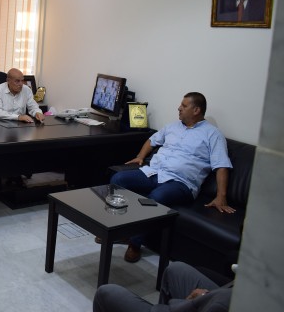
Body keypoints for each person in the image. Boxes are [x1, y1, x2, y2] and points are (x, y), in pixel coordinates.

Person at [110, 92, 233, 263]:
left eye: (184, 106)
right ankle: (115, 230)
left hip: (181, 183)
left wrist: (221, 196)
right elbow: (152, 141)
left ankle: (134, 243)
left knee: (156, 197)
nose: (179, 108)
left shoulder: (213, 134)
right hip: (154, 173)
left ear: (196, 110)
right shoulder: (172, 127)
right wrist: (140, 156)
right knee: (118, 179)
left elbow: (221, 165)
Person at [93, 261, 232, 312]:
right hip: (228, 292)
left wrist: (201, 298)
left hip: (222, 304)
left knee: (106, 293)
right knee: (175, 269)